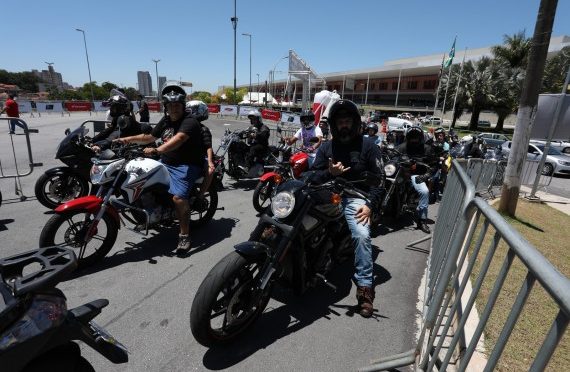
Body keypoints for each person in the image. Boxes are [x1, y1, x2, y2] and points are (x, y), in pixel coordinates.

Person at [310, 99, 384, 318]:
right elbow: (312, 177)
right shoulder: (326, 147)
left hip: (355, 197)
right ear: (333, 124)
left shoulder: (369, 147)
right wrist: (329, 173)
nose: (344, 125)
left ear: (355, 123)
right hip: (328, 193)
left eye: (347, 121)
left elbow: (380, 180)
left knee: (362, 235)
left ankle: (364, 289)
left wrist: (370, 205)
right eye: (340, 121)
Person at [115, 83, 205, 254]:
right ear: (166, 106)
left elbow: (178, 139)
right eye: (170, 105)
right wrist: (126, 140)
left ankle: (184, 235)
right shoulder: (166, 120)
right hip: (166, 161)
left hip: (186, 165)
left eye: (177, 105)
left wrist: (157, 149)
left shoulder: (190, 122)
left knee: (178, 198)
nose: (174, 109)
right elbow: (149, 136)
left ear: (182, 105)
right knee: (139, 177)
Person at [396, 126, 436, 234]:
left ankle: (422, 220)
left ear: (421, 138)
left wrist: (426, 175)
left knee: (424, 191)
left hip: (416, 175)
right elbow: (392, 156)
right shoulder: (401, 147)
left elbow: (433, 165)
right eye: (411, 137)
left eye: (416, 137)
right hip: (400, 173)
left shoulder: (427, 149)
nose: (414, 139)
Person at [186, 100, 215, 199]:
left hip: (202, 157)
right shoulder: (184, 127)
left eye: (189, 111)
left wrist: (210, 162)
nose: (187, 113)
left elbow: (208, 147)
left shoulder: (203, 129)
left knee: (210, 171)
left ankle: (200, 195)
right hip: (187, 156)